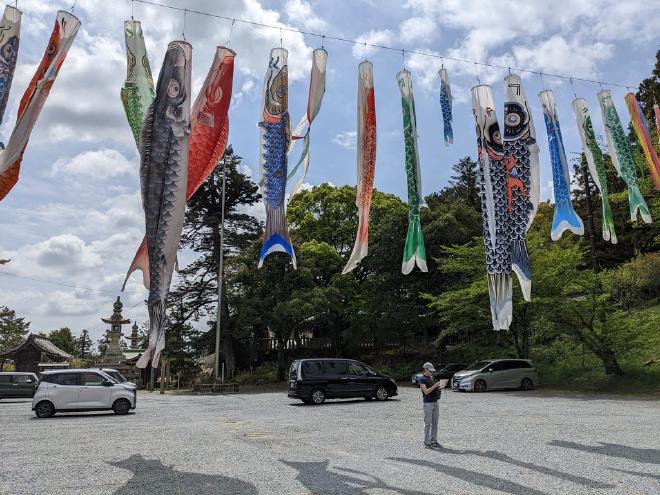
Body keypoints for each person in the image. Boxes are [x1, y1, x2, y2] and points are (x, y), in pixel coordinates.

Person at [419, 362, 443, 448]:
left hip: (435, 402)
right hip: (428, 403)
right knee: (428, 423)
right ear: (425, 369)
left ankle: (434, 440)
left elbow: (433, 389)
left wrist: (439, 387)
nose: (431, 372)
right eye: (430, 371)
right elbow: (426, 392)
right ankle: (426, 442)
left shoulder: (432, 378)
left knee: (435, 423)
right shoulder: (422, 379)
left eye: (432, 371)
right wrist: (434, 386)